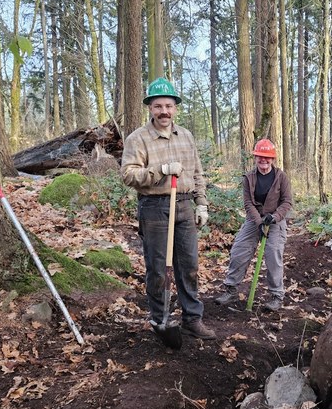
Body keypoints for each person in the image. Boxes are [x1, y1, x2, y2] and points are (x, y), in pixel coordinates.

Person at [121, 77, 216, 340]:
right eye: (158, 106)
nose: (164, 111)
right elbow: (128, 175)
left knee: (189, 265)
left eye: (169, 106)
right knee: (158, 268)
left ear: (175, 108)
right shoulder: (138, 139)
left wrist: (201, 204)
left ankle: (192, 319)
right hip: (154, 207)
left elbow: (197, 173)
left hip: (184, 205)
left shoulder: (186, 136)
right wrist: (160, 170)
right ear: (150, 108)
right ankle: (159, 319)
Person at [214, 139, 293, 311]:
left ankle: (276, 296)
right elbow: (248, 203)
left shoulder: (281, 177)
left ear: (272, 159)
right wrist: (259, 222)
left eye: (267, 157)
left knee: (273, 254)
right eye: (260, 157)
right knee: (239, 250)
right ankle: (231, 289)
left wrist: (274, 217)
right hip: (254, 219)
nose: (264, 160)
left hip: (275, 220)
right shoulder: (249, 178)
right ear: (255, 157)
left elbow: (287, 202)